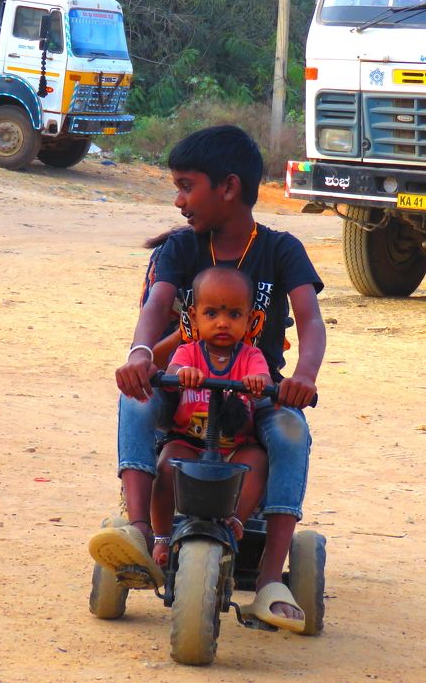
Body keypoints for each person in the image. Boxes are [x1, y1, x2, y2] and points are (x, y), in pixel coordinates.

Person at [88, 124, 326, 634]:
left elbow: (310, 319)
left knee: (290, 431)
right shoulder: (180, 248)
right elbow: (156, 305)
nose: (178, 200)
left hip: (255, 391)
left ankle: (270, 580)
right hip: (185, 387)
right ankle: (138, 533)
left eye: (186, 186)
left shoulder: (281, 250)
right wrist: (140, 355)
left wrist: (303, 377)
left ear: (229, 187)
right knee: (136, 398)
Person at [150, 266, 270, 569]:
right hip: (189, 441)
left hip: (235, 445)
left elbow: (263, 379)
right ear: (193, 317)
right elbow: (173, 371)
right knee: (166, 466)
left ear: (249, 320)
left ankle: (236, 521)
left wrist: (257, 382)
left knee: (258, 461)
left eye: (234, 314)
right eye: (212, 313)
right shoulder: (189, 352)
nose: (222, 323)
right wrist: (183, 375)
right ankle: (161, 536)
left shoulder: (250, 356)